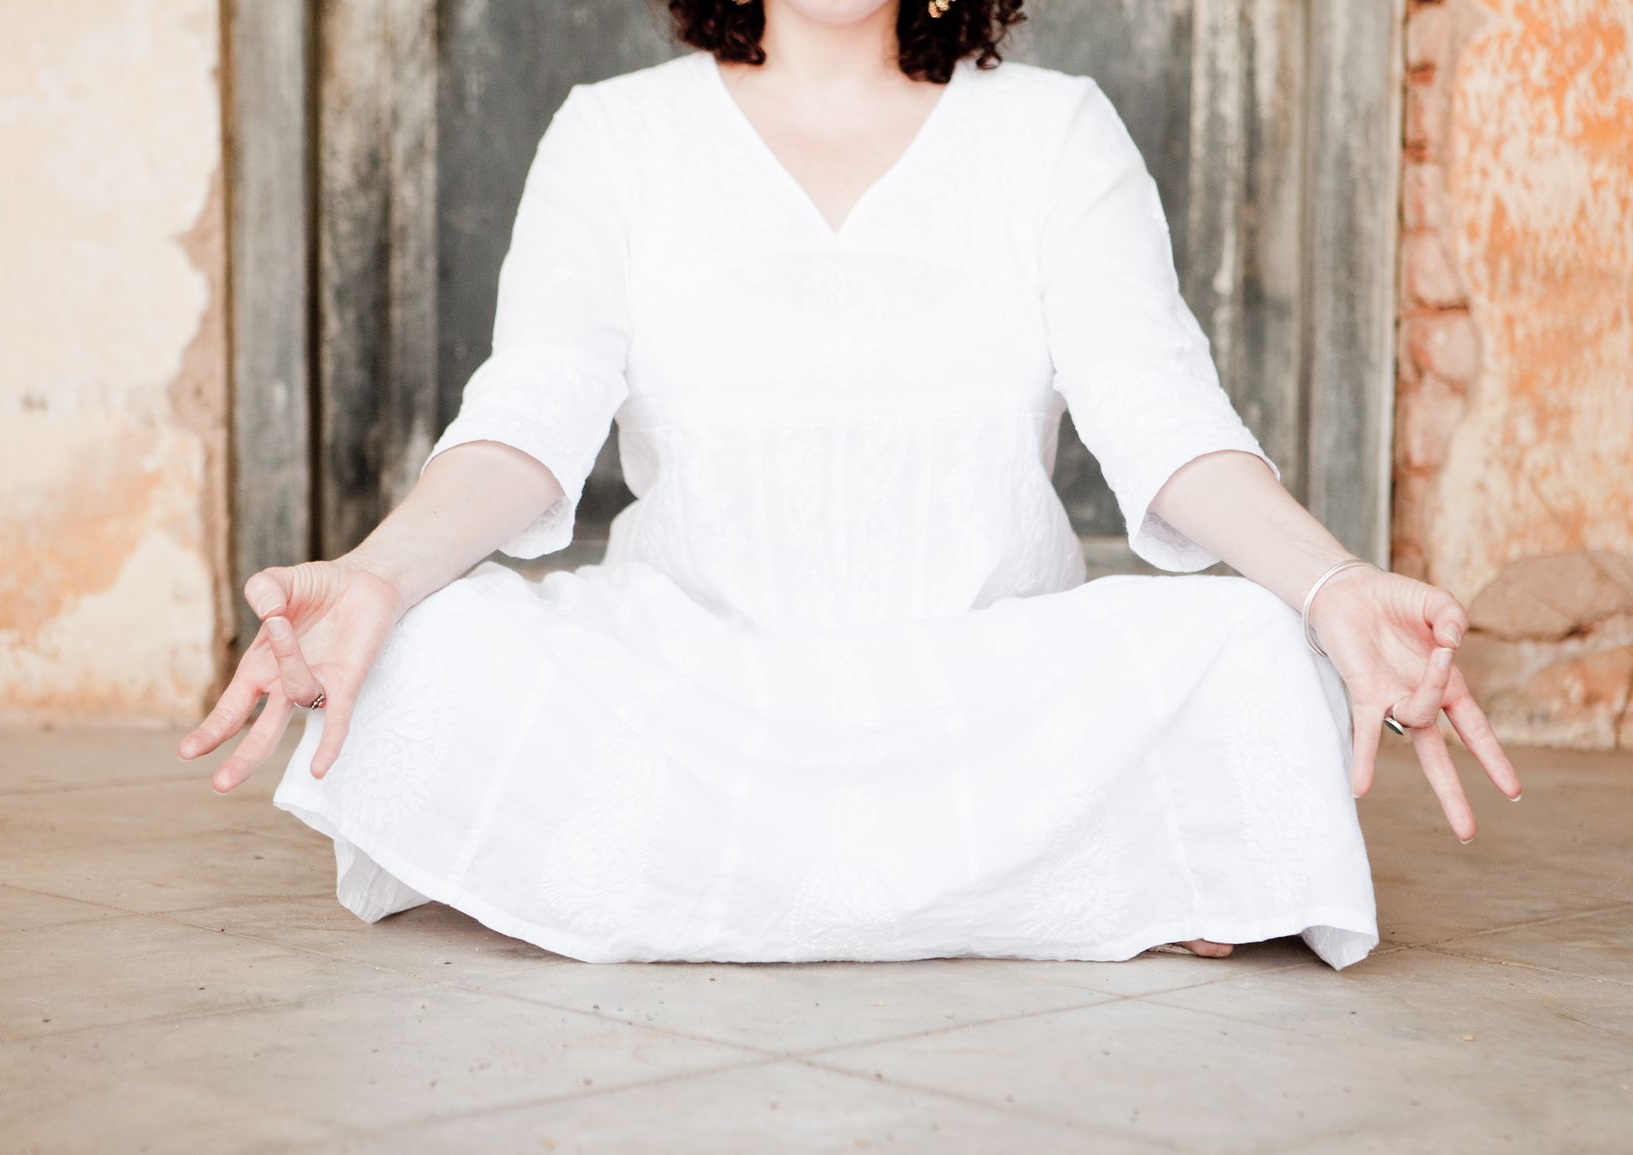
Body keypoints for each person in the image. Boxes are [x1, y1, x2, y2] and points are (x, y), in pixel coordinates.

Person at [178, 0, 1523, 968]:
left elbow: (1162, 417)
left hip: (988, 691)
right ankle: (1065, 885)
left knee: (1245, 641)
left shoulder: (1055, 131)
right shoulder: (614, 136)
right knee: (441, 637)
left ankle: (670, 882)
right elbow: (528, 418)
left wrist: (1333, 584)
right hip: (691, 683)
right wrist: (380, 572)